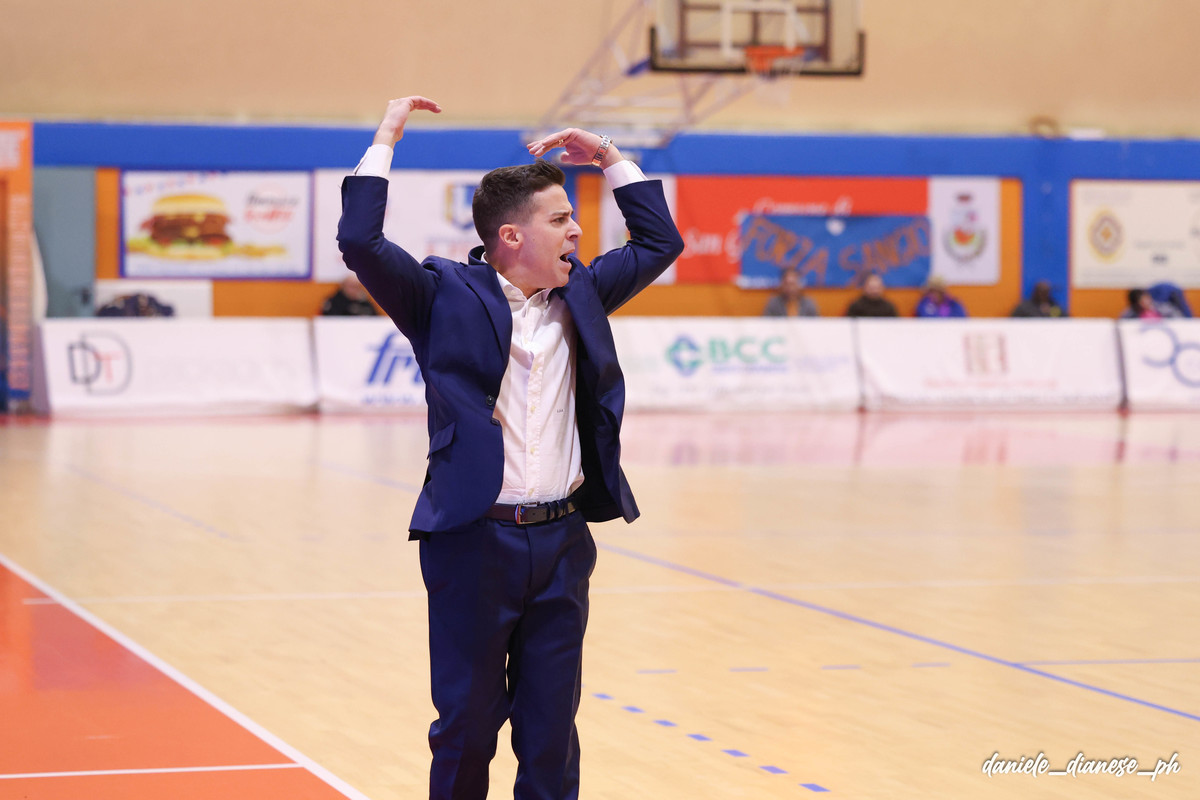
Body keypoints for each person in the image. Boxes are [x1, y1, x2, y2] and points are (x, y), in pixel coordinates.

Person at [337, 96, 683, 800]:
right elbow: (360, 243)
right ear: (510, 236)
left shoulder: (583, 291)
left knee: (551, 733)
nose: (576, 231)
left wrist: (609, 155)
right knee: (467, 727)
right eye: (560, 220)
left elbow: (659, 243)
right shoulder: (439, 295)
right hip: (472, 542)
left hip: (563, 542)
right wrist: (386, 137)